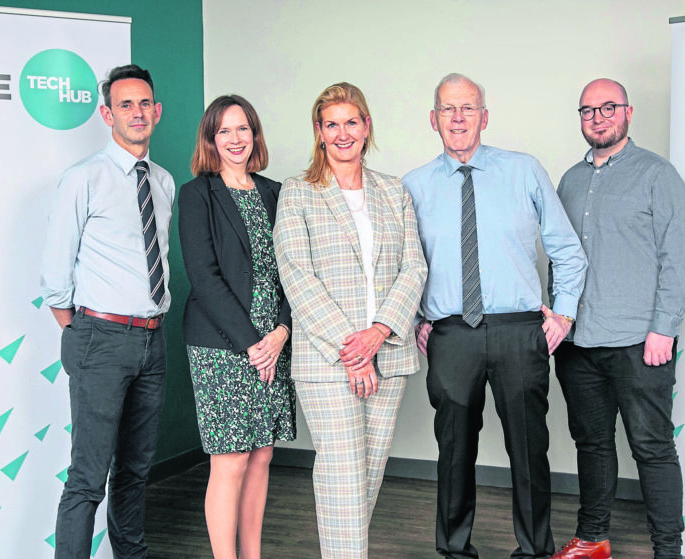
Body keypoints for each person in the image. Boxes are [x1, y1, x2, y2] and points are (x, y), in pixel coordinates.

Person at [403, 73, 587, 559]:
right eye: (448, 108)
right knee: (454, 452)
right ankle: (455, 550)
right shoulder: (412, 187)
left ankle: (534, 550)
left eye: (468, 108)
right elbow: (403, 266)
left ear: (485, 116)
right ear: (433, 119)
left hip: (517, 331)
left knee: (529, 451)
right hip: (450, 335)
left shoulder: (524, 171)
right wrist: (418, 319)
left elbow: (568, 250)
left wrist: (563, 315)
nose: (458, 117)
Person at [273, 82, 427, 559]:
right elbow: (296, 274)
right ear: (319, 132)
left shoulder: (393, 190)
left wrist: (378, 334)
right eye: (331, 124)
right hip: (328, 359)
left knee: (368, 471)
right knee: (342, 473)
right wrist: (352, 348)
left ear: (366, 127)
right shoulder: (299, 193)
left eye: (351, 122)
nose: (343, 133)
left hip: (389, 354)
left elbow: (414, 266)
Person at [550, 78, 685, 559]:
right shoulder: (569, 181)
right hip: (578, 344)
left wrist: (665, 329)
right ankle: (593, 538)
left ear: (628, 112)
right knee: (591, 445)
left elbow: (678, 255)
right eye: (588, 110)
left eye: (608, 107)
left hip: (639, 342)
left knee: (652, 448)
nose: (598, 117)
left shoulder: (658, 174)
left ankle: (667, 551)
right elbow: (558, 256)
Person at [40, 64, 174, 559]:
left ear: (156, 112)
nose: (136, 113)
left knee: (135, 471)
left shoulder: (162, 182)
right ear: (106, 114)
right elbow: (56, 279)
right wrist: (87, 333)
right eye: (125, 105)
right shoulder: (84, 178)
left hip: (152, 341)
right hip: (100, 338)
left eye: (144, 104)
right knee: (87, 478)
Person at [178, 95, 295, 559]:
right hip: (222, 345)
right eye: (224, 131)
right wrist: (253, 344)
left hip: (274, 340)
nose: (234, 139)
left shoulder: (276, 192)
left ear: (255, 135)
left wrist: (281, 333)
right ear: (210, 138)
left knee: (262, 454)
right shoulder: (197, 194)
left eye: (242, 129)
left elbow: (294, 270)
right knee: (231, 460)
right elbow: (203, 276)